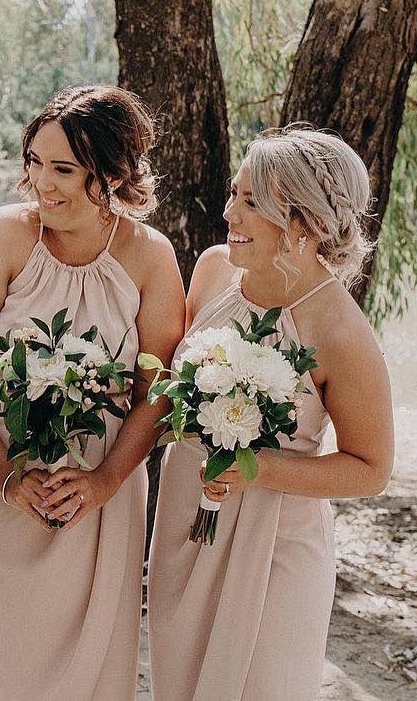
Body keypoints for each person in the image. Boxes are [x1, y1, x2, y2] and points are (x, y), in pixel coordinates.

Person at [0, 86, 185, 700]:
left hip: (100, 495)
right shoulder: (2, 238)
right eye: (35, 163)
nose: (43, 183)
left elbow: (157, 391)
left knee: (92, 674)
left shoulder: (152, 258)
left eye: (64, 169)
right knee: (0, 672)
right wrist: (6, 477)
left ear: (114, 173)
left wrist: (105, 484)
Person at [147, 125, 393, 701]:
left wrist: (260, 468)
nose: (230, 210)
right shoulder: (212, 271)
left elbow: (370, 468)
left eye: (251, 201)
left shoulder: (341, 331)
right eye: (235, 193)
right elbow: (169, 391)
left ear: (303, 222)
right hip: (186, 521)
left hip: (277, 542)